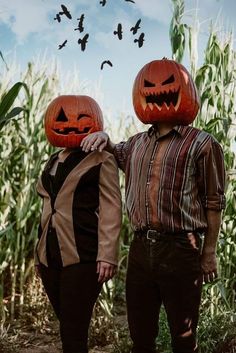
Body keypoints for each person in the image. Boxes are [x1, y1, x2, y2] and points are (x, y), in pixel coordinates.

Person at [81, 59, 226, 353]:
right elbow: (115, 151)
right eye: (149, 86)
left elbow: (214, 202)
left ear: (184, 90)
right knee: (140, 334)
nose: (157, 91)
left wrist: (208, 252)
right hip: (140, 249)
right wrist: (105, 138)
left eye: (166, 85)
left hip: (181, 248)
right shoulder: (135, 144)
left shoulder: (203, 144)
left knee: (183, 336)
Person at [35, 94, 122, 353]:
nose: (70, 123)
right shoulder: (52, 160)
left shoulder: (101, 159)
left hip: (83, 256)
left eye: (81, 118)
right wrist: (38, 254)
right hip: (49, 257)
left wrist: (107, 255)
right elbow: (46, 210)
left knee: (74, 332)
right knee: (67, 326)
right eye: (61, 118)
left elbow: (111, 208)